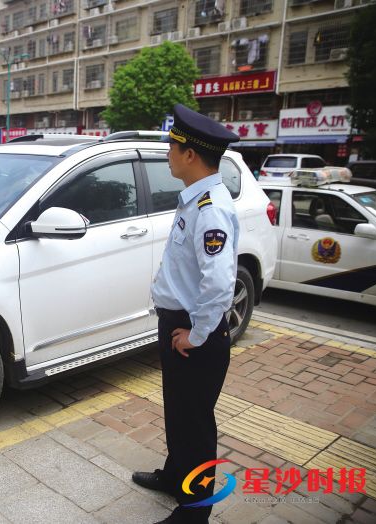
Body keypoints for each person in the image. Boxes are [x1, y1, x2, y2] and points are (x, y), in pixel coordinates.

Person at [133, 104, 240, 524]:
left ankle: (194, 513)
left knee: (194, 423)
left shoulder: (210, 208)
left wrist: (196, 335)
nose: (168, 154)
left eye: (172, 147)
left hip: (194, 333)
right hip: (178, 325)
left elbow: (219, 284)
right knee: (178, 411)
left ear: (190, 155)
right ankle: (176, 475)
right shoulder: (196, 198)